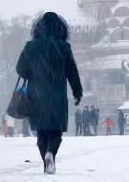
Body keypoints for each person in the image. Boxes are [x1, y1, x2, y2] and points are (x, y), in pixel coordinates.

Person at [15, 12, 83, 174]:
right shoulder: (63, 47)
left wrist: (33, 71)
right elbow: (72, 72)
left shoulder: (30, 46)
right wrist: (77, 91)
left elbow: (21, 70)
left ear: (39, 28)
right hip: (57, 95)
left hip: (36, 95)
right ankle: (50, 153)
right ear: (60, 28)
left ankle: (46, 164)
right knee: (56, 130)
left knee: (41, 131)